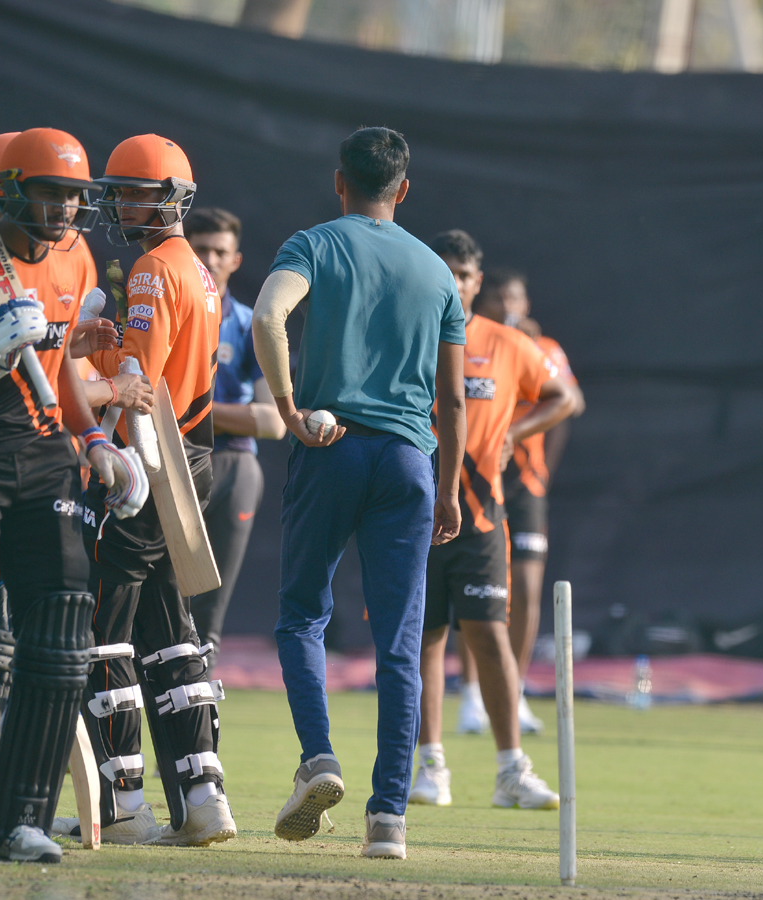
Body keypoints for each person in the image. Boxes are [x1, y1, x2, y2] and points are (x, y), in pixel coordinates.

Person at [0, 128, 148, 863]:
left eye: (77, 194)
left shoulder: (73, 258)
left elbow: (62, 364)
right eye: (52, 192)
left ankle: (18, 818)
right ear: (7, 190)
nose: (69, 208)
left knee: (64, 629)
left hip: (44, 452)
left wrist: (99, 442)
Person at [251, 126, 466, 860]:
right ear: (403, 190)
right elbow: (457, 399)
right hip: (411, 460)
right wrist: (452, 490)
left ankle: (319, 760)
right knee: (400, 646)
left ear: (339, 181)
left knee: (301, 617)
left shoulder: (313, 243)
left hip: (330, 446)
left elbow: (269, 316)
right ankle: (389, 820)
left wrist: (285, 409)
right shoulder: (438, 272)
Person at [59, 134, 232, 848]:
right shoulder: (196, 268)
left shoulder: (155, 270)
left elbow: (137, 384)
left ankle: (123, 802)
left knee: (106, 631)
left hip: (147, 457)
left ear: (167, 198)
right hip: (191, 455)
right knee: (171, 633)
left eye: (131, 191)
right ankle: (202, 796)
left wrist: (76, 352)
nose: (119, 203)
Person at [411, 231, 574, 811]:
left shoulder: (506, 343)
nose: (455, 284)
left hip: (482, 515)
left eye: (465, 275)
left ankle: (511, 772)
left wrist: (515, 433)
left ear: (478, 282)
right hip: (414, 511)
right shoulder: (406, 333)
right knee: (423, 639)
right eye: (446, 272)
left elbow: (563, 397)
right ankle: (430, 766)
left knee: (488, 635)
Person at [470, 267, 586, 734]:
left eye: (516, 299)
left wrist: (543, 471)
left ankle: (513, 692)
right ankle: (472, 696)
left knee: (528, 588)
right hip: (478, 477)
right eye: (499, 300)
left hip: (525, 483)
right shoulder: (473, 344)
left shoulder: (544, 349)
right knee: (476, 588)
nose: (509, 308)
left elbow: (568, 404)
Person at [185, 208, 285, 670]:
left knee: (208, 614)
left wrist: (189, 413)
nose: (208, 259)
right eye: (199, 249)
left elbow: (272, 422)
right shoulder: (159, 313)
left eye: (218, 251)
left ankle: (199, 728)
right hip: (169, 463)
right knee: (159, 601)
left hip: (230, 466)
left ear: (235, 260)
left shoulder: (250, 325)